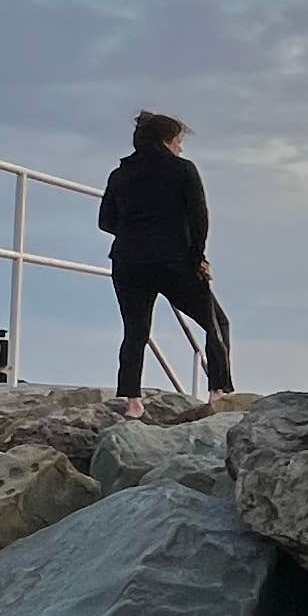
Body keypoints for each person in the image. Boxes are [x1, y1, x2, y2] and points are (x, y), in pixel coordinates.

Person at [98, 109, 232, 412]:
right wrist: (198, 258)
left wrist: (135, 232)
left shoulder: (119, 175)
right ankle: (218, 391)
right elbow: (200, 220)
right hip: (175, 261)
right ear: (166, 140)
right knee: (217, 323)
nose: (180, 147)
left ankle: (131, 400)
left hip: (129, 260)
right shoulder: (182, 170)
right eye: (178, 140)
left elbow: (105, 221)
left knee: (135, 331)